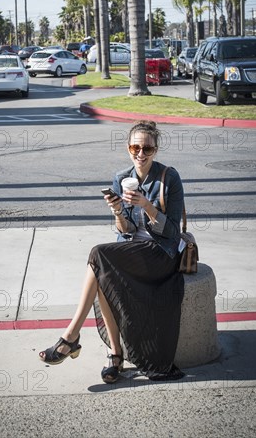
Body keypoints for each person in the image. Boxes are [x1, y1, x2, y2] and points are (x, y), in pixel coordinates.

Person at [39, 121, 185, 383]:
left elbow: (173, 232)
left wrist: (147, 205)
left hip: (160, 254)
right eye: (135, 147)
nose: (140, 154)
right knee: (102, 268)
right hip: (131, 250)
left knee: (98, 256)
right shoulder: (121, 178)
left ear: (156, 150)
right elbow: (125, 229)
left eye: (147, 149)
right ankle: (114, 354)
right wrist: (117, 211)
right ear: (128, 148)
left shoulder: (169, 178)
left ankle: (73, 338)